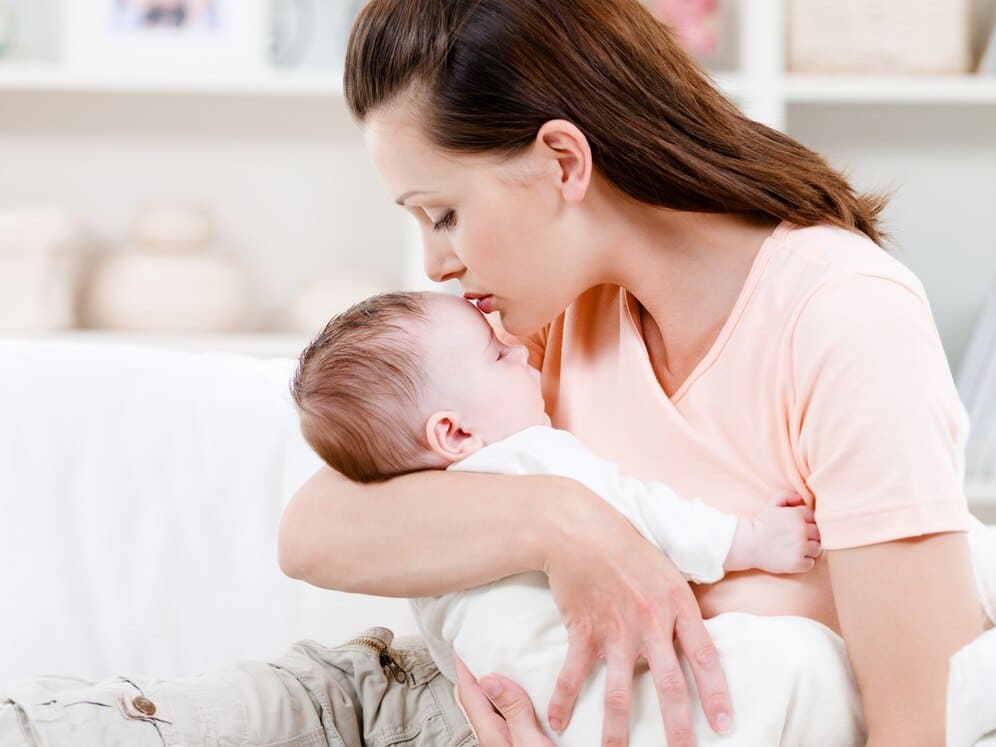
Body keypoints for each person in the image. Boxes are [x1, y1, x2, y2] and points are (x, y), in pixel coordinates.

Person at [277, 0, 985, 745]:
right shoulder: (545, 320)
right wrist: (569, 525)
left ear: (563, 163)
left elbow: (918, 727)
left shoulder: (844, 321)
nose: (435, 264)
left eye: (444, 213)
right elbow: (314, 529)